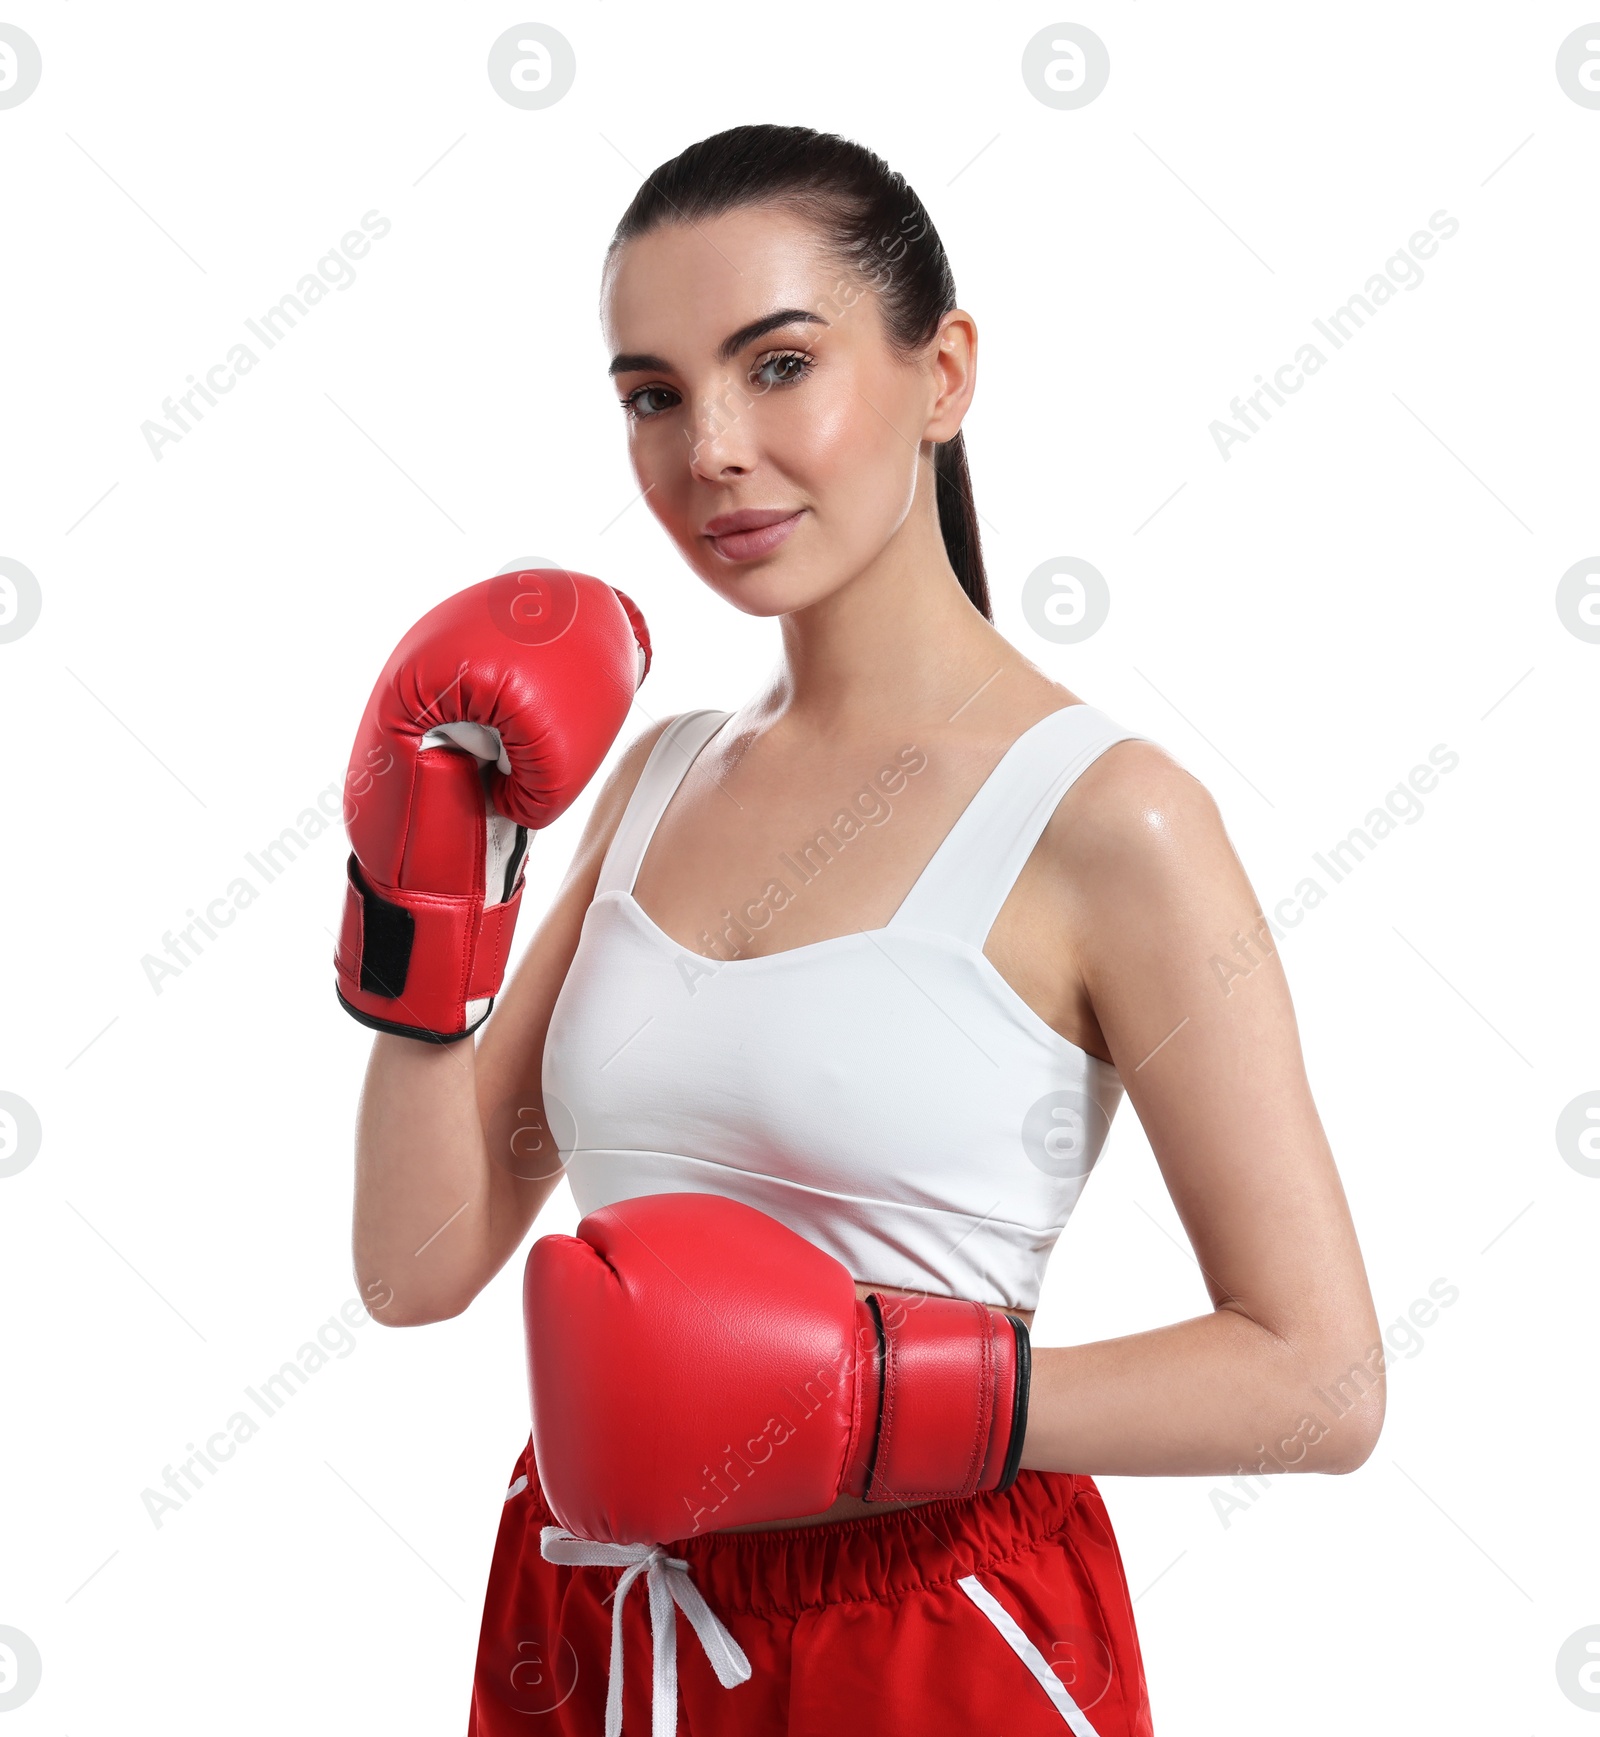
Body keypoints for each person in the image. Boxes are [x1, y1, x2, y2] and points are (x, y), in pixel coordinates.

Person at [344, 124, 1384, 1736]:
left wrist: (882, 1400)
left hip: (933, 1627)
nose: (713, 451)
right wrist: (428, 899)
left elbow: (1321, 1379)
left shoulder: (1110, 820)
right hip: (597, 1606)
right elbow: (417, 1271)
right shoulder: (657, 775)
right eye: (654, 394)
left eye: (779, 365)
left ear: (944, 372)